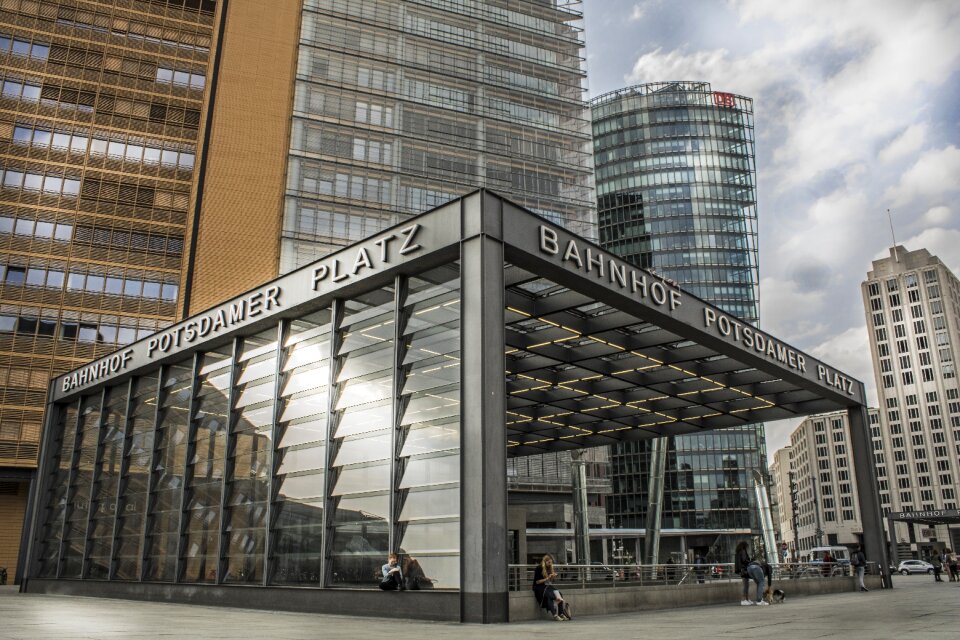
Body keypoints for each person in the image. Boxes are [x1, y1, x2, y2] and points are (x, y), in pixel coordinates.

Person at [532, 554, 568, 621]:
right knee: (549, 596)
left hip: (547, 586)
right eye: (548, 562)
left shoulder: (549, 568)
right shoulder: (539, 568)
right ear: (544, 562)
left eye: (551, 562)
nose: (550, 564)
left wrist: (552, 577)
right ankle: (555, 615)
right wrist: (547, 578)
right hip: (539, 587)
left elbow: (550, 581)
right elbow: (537, 582)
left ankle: (561, 613)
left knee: (560, 594)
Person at [735, 541, 767, 606]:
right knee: (746, 586)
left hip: (742, 570)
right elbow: (744, 560)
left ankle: (746, 599)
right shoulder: (743, 551)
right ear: (744, 546)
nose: (747, 547)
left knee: (746, 585)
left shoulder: (738, 552)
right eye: (747, 546)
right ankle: (744, 600)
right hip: (744, 570)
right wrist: (750, 561)